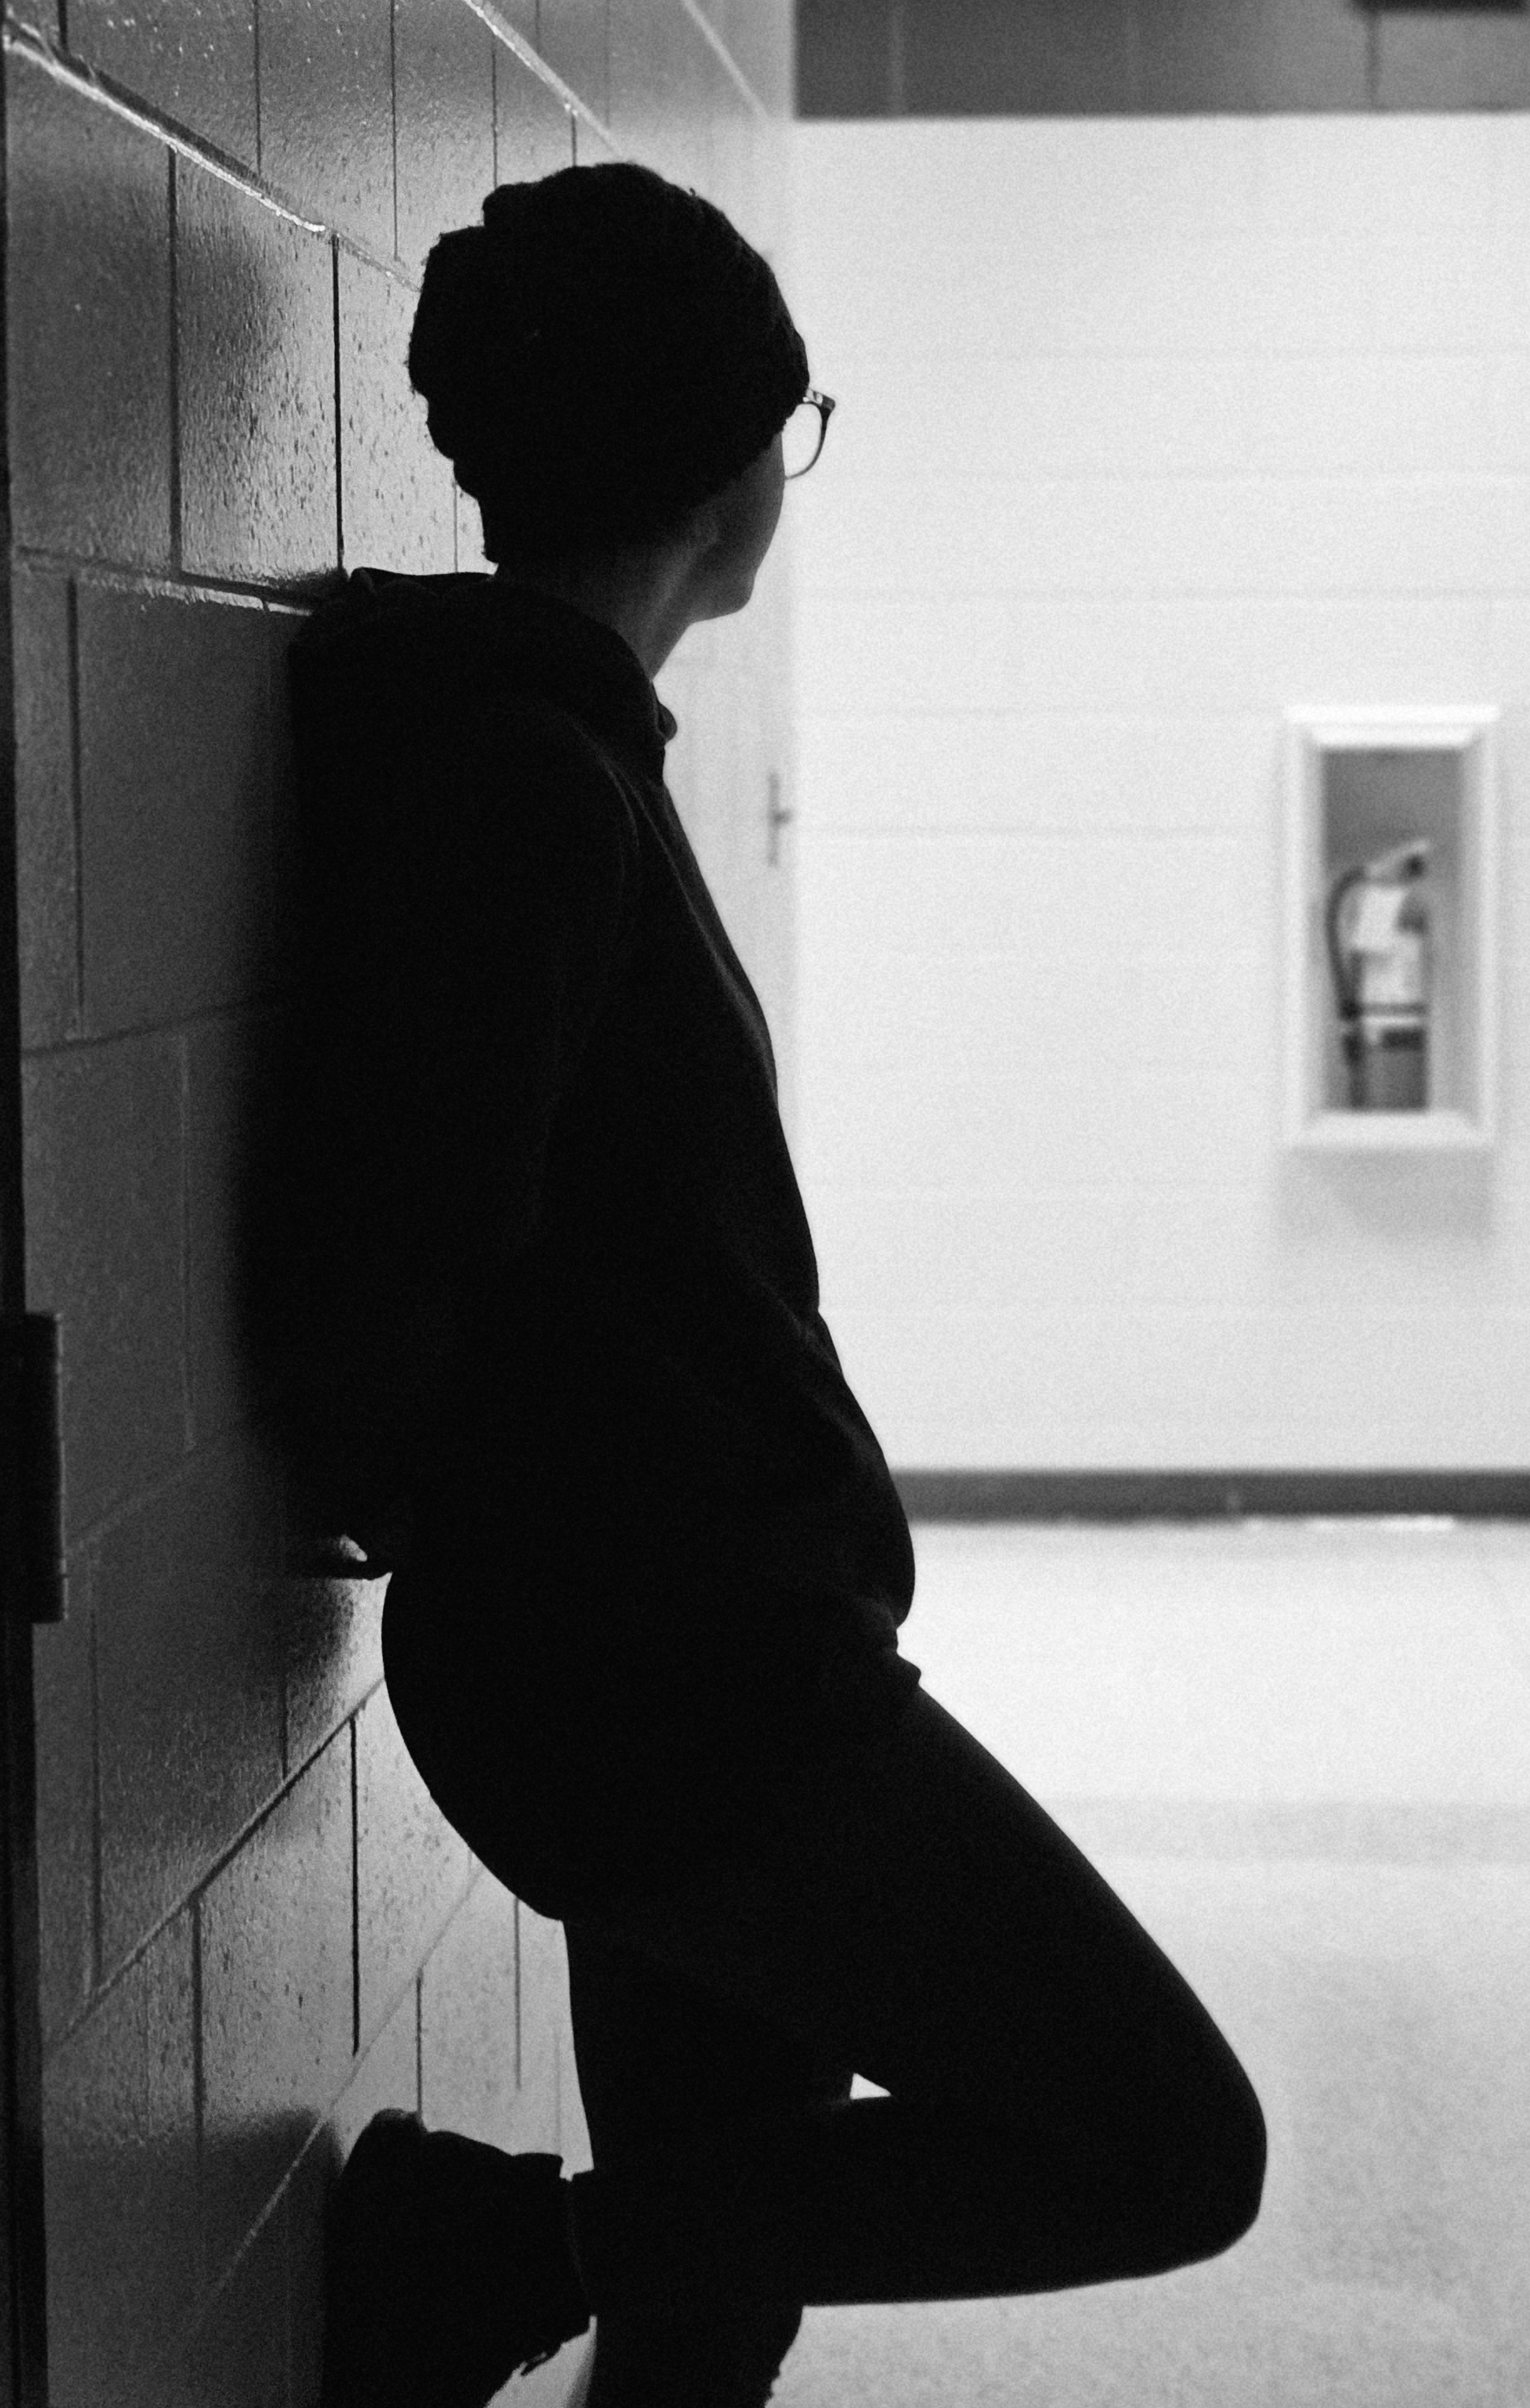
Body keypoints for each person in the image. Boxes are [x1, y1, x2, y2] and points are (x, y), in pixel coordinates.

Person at [254, 162, 1266, 2408]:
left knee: (721, 2307)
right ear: (734, 471)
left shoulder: (539, 747)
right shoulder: (533, 781)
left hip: (668, 1653)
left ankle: (546, 2258)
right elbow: (404, 1254)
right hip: (678, 1683)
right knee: (1171, 2146)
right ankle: (488, 2246)